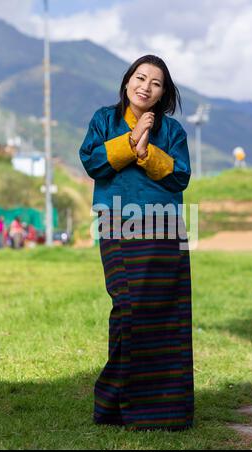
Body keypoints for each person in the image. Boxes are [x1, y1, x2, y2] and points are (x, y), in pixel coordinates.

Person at [79, 54, 194, 432]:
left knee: (165, 312)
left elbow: (180, 177)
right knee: (128, 307)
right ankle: (117, 402)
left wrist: (147, 154)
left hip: (164, 228)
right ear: (127, 82)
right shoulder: (103, 120)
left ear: (163, 93)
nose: (146, 86)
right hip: (116, 222)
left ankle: (162, 412)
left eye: (156, 83)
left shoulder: (173, 131)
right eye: (140, 78)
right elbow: (93, 162)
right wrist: (130, 141)